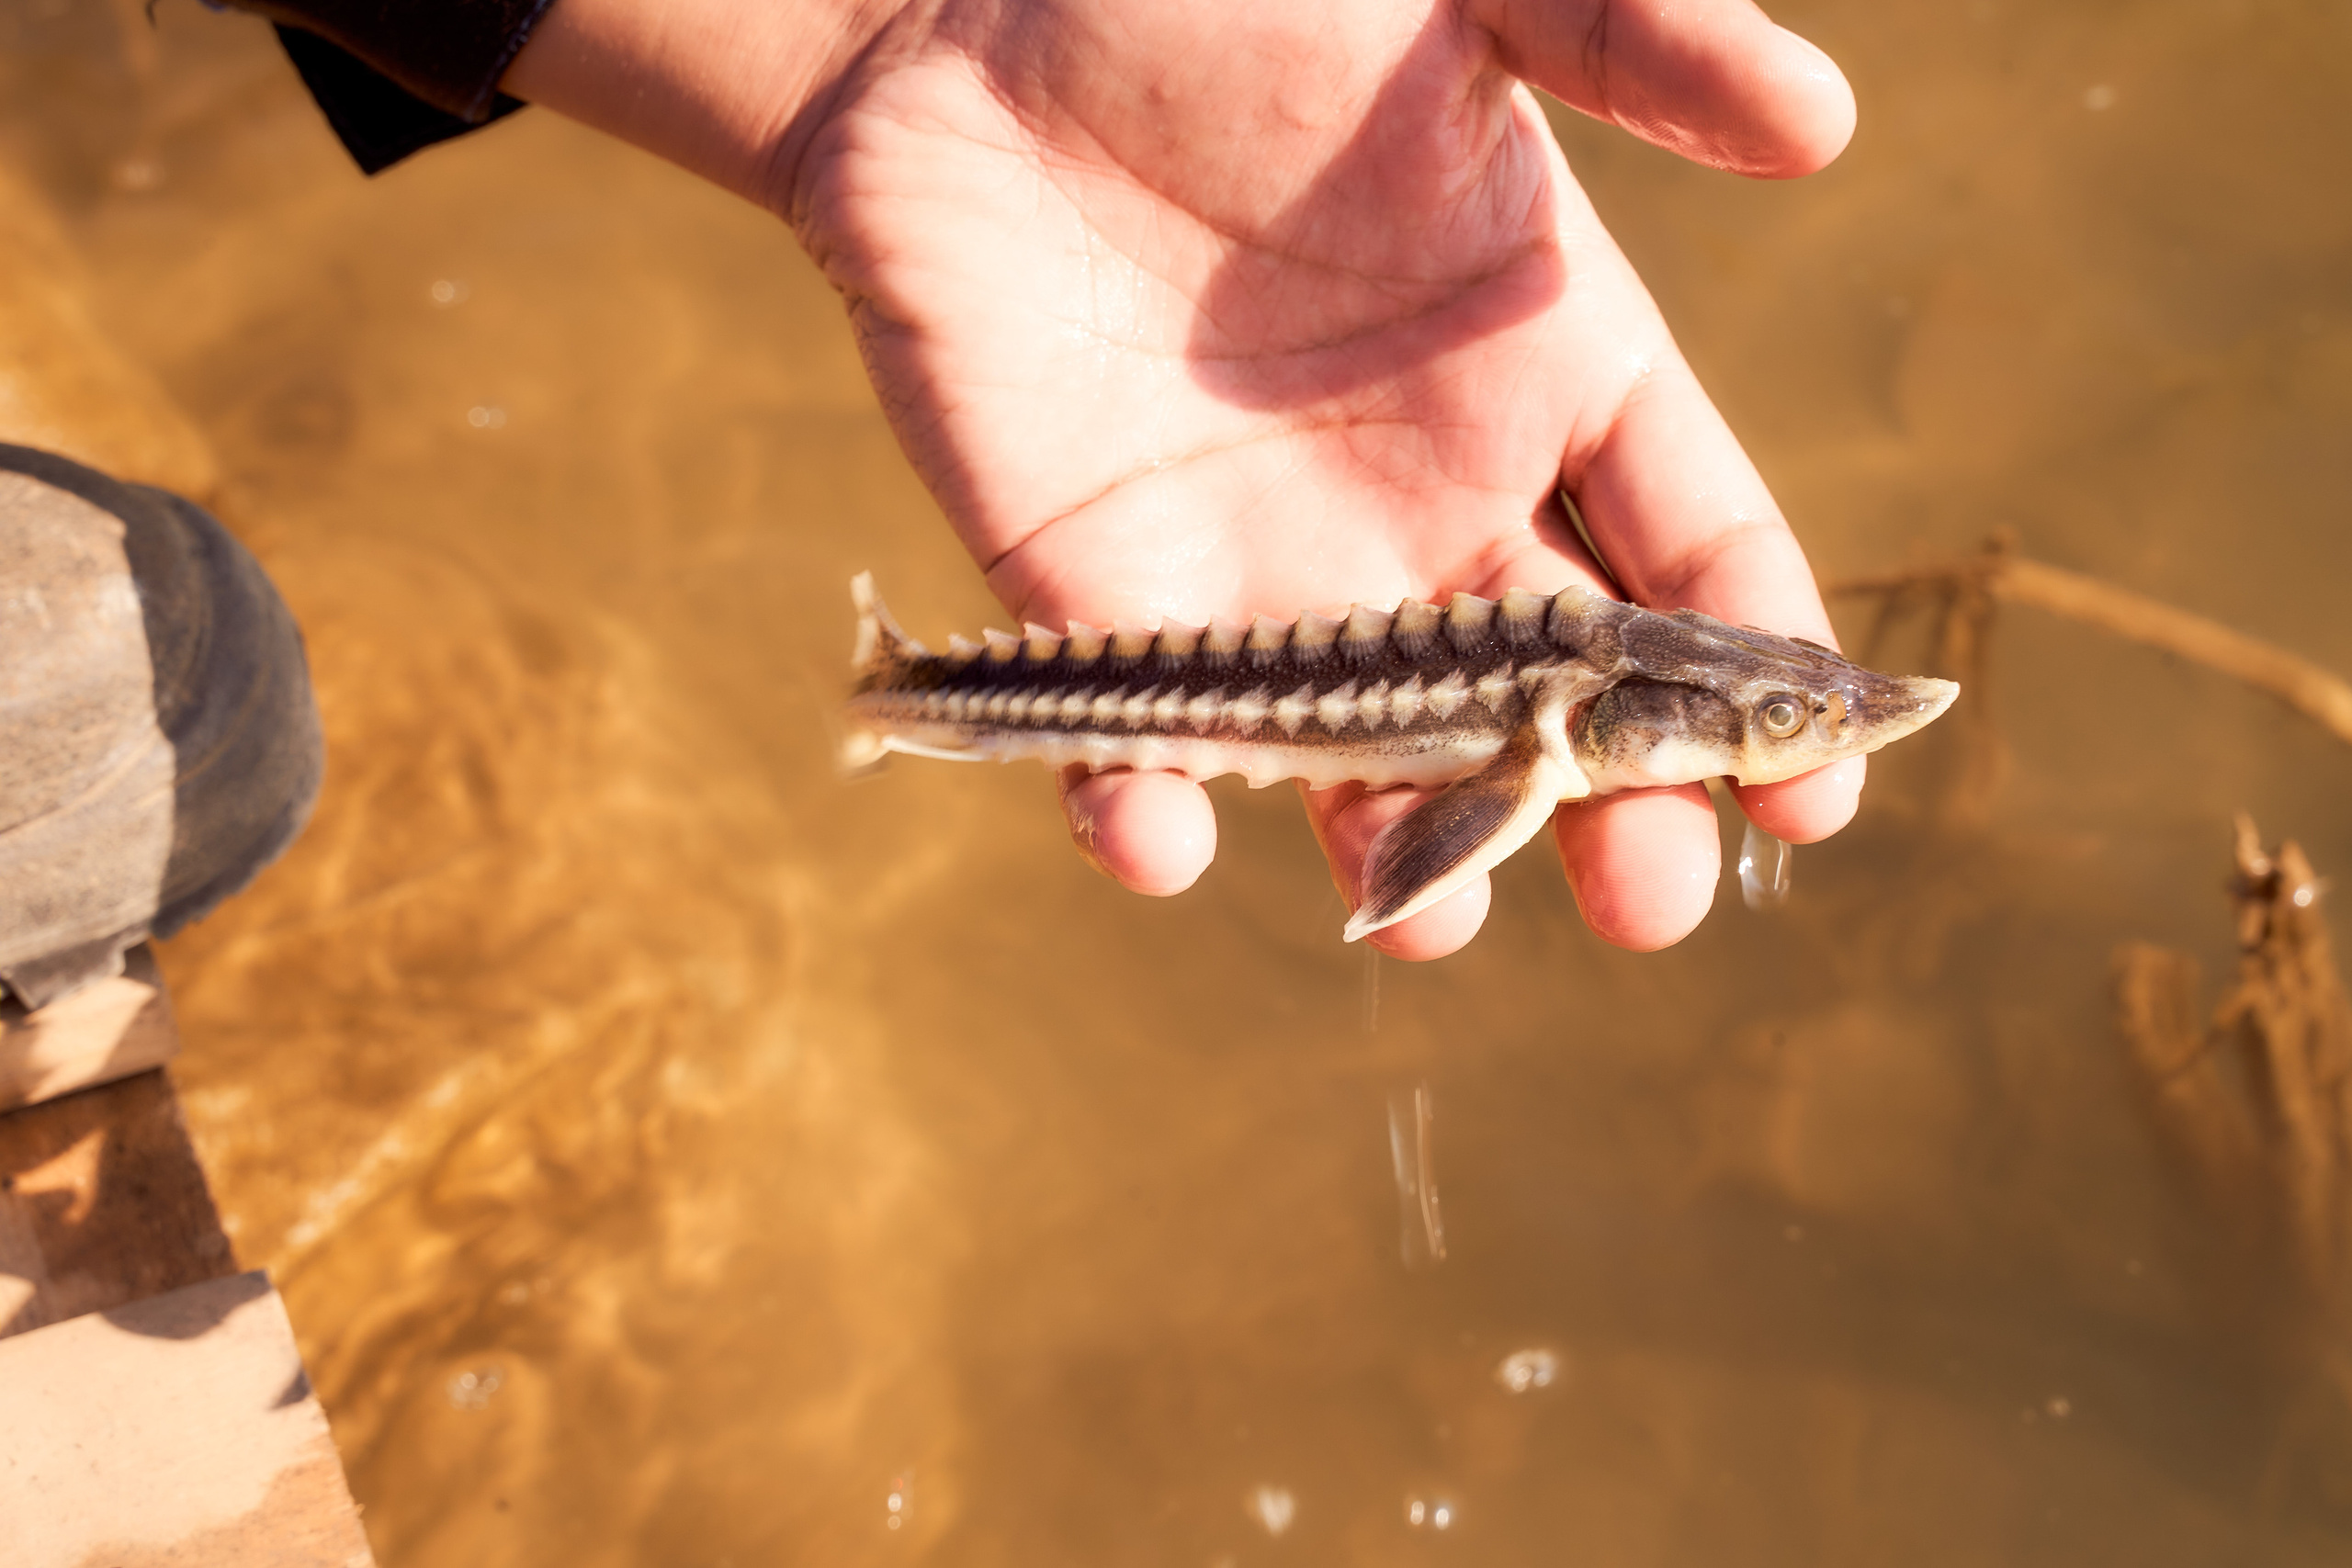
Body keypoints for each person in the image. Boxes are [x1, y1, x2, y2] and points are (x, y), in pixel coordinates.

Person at [233, 0, 1862, 962]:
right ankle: (902, 690)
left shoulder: (1553, 727)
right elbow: (1442, 840)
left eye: (1771, 710)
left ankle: (907, 694)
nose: (1782, 718)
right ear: (1620, 716)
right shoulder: (1530, 751)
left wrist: (871, 39)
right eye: (1769, 715)